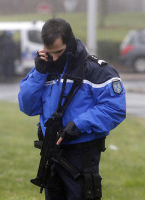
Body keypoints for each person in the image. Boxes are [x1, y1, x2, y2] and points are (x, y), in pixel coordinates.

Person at [18, 18, 126, 200]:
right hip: (51, 152)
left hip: (81, 154)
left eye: (59, 52)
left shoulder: (96, 70)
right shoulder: (44, 69)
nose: (54, 58)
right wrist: (38, 73)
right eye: (49, 53)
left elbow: (114, 109)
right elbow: (27, 106)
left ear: (69, 43)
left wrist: (78, 124)